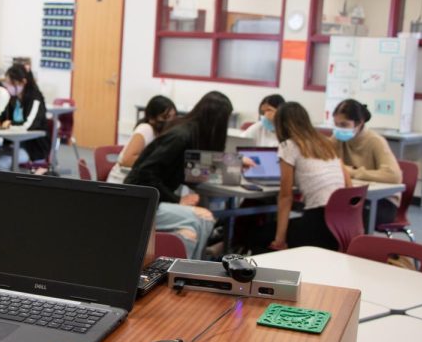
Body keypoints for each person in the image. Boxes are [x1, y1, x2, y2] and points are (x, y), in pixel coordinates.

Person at [124, 91, 232, 259]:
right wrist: (178, 200)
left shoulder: (190, 133)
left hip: (152, 199)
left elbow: (195, 169)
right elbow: (145, 174)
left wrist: (234, 163)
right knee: (205, 219)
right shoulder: (181, 136)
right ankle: (190, 271)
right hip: (139, 201)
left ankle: (188, 269)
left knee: (190, 232)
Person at [255, 101, 351, 252]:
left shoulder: (288, 146)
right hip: (343, 224)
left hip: (318, 224)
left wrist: (280, 240)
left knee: (258, 235)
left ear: (281, 125)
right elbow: (348, 185)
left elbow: (286, 197)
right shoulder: (325, 143)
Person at [331, 98, 402, 226]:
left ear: (359, 123)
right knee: (325, 211)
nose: (338, 129)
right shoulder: (337, 139)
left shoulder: (375, 141)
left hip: (382, 201)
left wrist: (351, 172)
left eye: (344, 125)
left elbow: (394, 176)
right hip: (353, 196)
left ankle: (354, 246)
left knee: (346, 215)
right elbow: (323, 160)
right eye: (336, 124)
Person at [107, 95, 177, 184]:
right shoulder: (146, 129)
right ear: (152, 118)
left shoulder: (161, 133)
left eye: (173, 116)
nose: (171, 121)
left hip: (138, 180)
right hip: (122, 182)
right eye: (165, 117)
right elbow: (127, 160)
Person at [0, 64, 49, 171]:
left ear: (23, 82)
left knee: (0, 164)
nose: (7, 85)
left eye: (10, 82)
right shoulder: (13, 98)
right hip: (12, 145)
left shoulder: (35, 98)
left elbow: (29, 125)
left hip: (31, 148)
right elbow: (3, 117)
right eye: (7, 82)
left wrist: (10, 124)